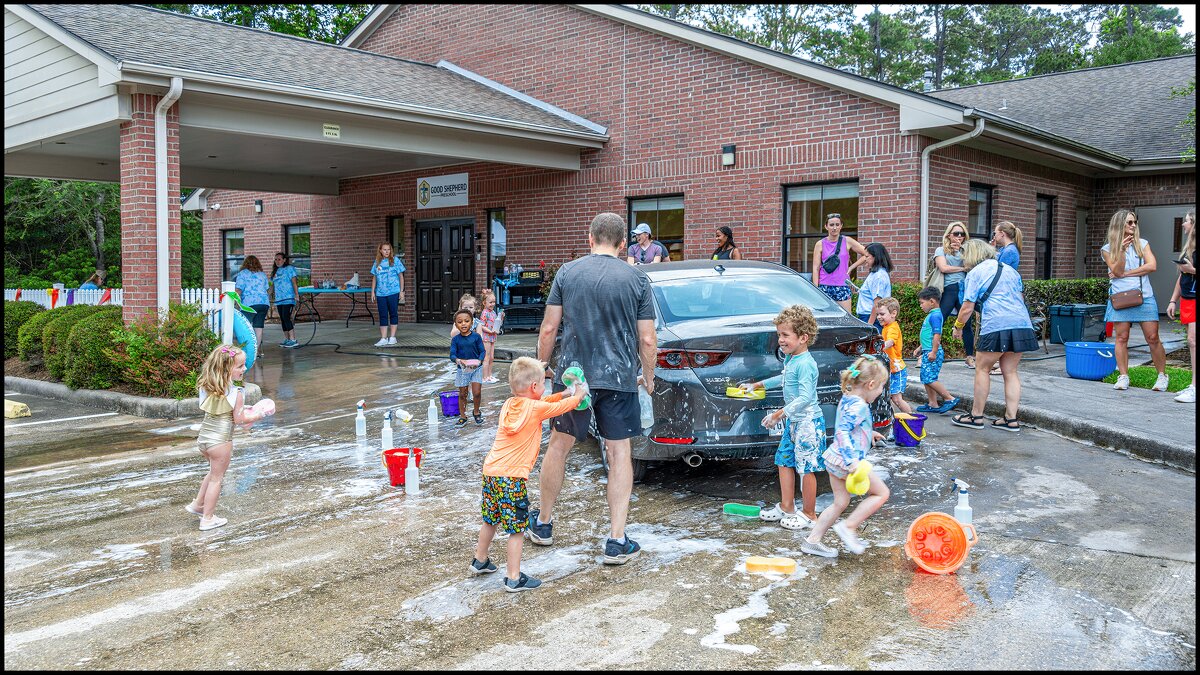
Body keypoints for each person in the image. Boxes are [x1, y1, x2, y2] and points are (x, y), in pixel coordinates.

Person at [532, 211, 657, 565]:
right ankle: (616, 540)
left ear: (590, 239)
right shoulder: (637, 279)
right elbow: (647, 339)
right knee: (620, 454)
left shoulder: (568, 273)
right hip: (618, 379)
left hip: (575, 379)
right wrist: (648, 377)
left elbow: (547, 328)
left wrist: (542, 371)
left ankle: (543, 524)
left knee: (559, 446)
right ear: (622, 244)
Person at [471, 357, 588, 592]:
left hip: (491, 472)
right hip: (512, 478)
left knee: (490, 519)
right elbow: (559, 408)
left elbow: (547, 402)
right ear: (534, 387)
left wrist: (563, 393)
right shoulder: (535, 409)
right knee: (517, 529)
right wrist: (578, 394)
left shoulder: (509, 404)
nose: (544, 388)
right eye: (543, 384)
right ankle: (514, 577)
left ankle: (480, 560)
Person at [739, 305, 825, 529]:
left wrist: (779, 414)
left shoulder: (806, 363)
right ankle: (787, 506)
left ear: (803, 337)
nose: (781, 340)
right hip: (794, 422)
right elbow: (784, 378)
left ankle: (809, 514)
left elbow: (806, 397)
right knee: (784, 460)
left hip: (808, 423)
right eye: (779, 335)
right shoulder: (792, 360)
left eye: (785, 335)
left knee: (806, 468)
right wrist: (758, 384)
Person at [801, 356, 889, 558]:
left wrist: (869, 433)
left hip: (834, 458)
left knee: (840, 502)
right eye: (880, 387)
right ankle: (849, 527)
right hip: (847, 462)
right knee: (881, 493)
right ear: (871, 384)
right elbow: (842, 432)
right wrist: (852, 462)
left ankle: (812, 541)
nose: (880, 392)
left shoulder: (848, 397)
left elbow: (850, 426)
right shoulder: (860, 405)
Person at [951, 239, 1038, 431]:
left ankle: (976, 416)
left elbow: (967, 307)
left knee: (982, 369)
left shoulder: (976, 273)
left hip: (996, 325)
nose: (963, 262)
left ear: (972, 255)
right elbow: (1020, 298)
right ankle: (1011, 419)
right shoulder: (1011, 271)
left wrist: (957, 327)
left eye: (964, 257)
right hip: (1022, 324)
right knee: (1011, 372)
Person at [186, 345, 273, 531]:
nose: (244, 369)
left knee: (212, 472)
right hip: (221, 441)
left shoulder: (206, 386)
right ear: (227, 369)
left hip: (204, 440)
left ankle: (198, 504)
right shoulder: (237, 393)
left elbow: (221, 410)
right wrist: (259, 414)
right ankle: (208, 518)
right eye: (240, 366)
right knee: (217, 479)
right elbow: (240, 419)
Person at [1101, 209, 1169, 393]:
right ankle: (1123, 376)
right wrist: (1122, 251)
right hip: (1120, 298)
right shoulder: (1107, 249)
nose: (1133, 226)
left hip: (1144, 296)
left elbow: (1152, 265)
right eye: (1129, 222)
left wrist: (1126, 274)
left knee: (1153, 338)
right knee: (1121, 337)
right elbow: (1116, 271)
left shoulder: (1143, 244)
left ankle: (1162, 376)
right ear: (1119, 224)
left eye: (1134, 223)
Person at [934, 222, 978, 369]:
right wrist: (962, 268)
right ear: (949, 235)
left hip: (964, 289)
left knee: (966, 324)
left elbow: (973, 266)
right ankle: (926, 352)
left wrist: (962, 251)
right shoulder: (941, 250)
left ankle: (969, 357)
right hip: (949, 289)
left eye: (962, 234)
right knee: (938, 320)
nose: (959, 236)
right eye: (956, 233)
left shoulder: (967, 251)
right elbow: (943, 268)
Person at [912, 287, 959, 414]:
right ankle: (933, 403)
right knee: (927, 377)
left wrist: (933, 351)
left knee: (929, 378)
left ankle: (949, 398)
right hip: (927, 350)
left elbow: (937, 335)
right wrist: (920, 348)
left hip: (932, 352)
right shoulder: (933, 315)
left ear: (932, 301)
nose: (921, 306)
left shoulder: (935, 316)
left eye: (922, 303)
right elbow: (928, 335)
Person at [811, 213, 869, 313]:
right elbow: (816, 268)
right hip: (824, 285)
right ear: (826, 226)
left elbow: (867, 254)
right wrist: (816, 289)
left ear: (841, 226)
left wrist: (852, 267)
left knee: (846, 319)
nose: (834, 228)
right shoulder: (820, 244)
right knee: (825, 319)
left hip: (842, 285)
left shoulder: (847, 241)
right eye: (831, 225)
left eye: (837, 225)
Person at [1167, 210, 1196, 403]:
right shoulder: (1188, 248)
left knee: (1193, 341)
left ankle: (1194, 387)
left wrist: (1192, 270)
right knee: (1192, 342)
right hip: (1187, 299)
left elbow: (1190, 271)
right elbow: (1182, 276)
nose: (1183, 225)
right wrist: (1172, 300)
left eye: (1186, 221)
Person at [877, 297, 912, 416]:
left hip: (897, 370)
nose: (878, 317)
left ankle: (912, 420)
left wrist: (878, 347)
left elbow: (890, 342)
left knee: (897, 398)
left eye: (882, 314)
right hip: (891, 369)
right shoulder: (886, 327)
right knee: (889, 397)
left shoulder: (893, 328)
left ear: (893, 314)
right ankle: (893, 421)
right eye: (878, 314)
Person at [450, 308, 485, 427]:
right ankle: (463, 416)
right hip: (462, 369)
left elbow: (482, 351)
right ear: (456, 324)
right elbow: (452, 355)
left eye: (466, 321)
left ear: (472, 322)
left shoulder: (476, 337)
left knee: (477, 392)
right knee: (462, 393)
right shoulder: (455, 340)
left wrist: (479, 361)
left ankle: (476, 412)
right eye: (460, 322)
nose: (463, 324)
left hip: (476, 368)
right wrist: (459, 360)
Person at [370, 243, 405, 348]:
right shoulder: (377, 262)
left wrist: (401, 291)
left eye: (388, 249)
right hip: (381, 293)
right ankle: (383, 338)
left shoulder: (395, 261)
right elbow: (375, 278)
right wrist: (373, 292)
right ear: (380, 250)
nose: (386, 251)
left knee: (393, 313)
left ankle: (392, 337)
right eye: (384, 249)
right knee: (383, 315)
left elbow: (401, 276)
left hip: (393, 292)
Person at [234, 255, 269, 353]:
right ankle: (255, 351)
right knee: (259, 327)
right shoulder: (262, 274)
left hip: (249, 304)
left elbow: (239, 289)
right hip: (263, 303)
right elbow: (266, 288)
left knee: (245, 326)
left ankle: (247, 350)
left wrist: (233, 300)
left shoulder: (243, 274)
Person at [855, 242, 892, 328]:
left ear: (876, 257)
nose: (865, 259)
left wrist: (870, 325)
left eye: (867, 257)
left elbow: (877, 303)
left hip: (871, 318)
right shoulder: (875, 274)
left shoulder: (878, 276)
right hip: (868, 317)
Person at [270, 252, 300, 349]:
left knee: (286, 317)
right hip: (279, 299)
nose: (277, 261)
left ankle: (293, 339)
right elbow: (272, 286)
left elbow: (294, 283)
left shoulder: (289, 269)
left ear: (284, 260)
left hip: (289, 298)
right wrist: (267, 296)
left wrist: (296, 295)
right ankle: (287, 339)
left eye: (279, 259)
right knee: (282, 319)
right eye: (276, 259)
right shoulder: (275, 271)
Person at [479, 290, 503, 384]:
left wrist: (501, 317)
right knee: (486, 357)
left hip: (492, 336)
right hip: (486, 337)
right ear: (484, 303)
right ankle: (485, 377)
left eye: (494, 302)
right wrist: (490, 331)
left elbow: (496, 322)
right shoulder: (485, 313)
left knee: (492, 357)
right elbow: (482, 325)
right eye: (490, 302)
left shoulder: (493, 312)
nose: (492, 304)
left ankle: (489, 375)